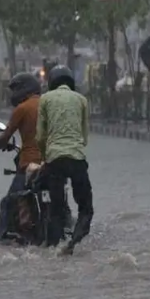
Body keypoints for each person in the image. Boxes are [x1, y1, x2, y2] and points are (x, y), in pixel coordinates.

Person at [37, 66, 93, 255]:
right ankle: (74, 242)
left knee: (56, 209)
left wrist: (45, 157)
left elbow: (39, 137)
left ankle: (53, 248)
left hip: (54, 159)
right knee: (85, 208)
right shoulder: (81, 100)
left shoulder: (45, 99)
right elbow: (84, 138)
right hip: (77, 158)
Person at [0, 72, 42, 243]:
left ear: (24, 89)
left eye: (16, 89)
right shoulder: (48, 105)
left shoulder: (23, 108)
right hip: (52, 161)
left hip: (28, 163)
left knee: (8, 202)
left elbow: (6, 135)